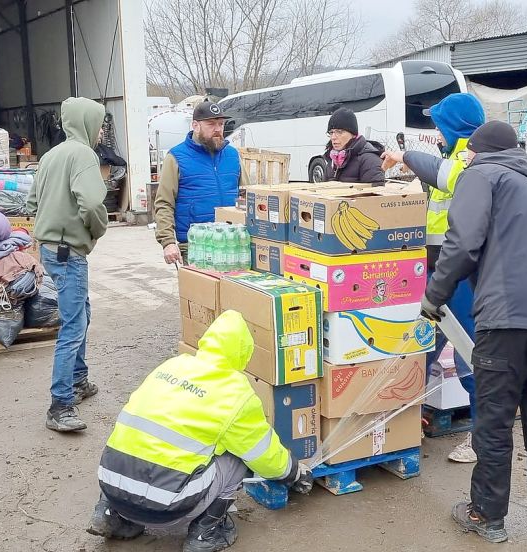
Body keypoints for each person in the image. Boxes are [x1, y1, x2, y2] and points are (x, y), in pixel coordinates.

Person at [419, 121, 527, 545]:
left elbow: (463, 242)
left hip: (510, 317)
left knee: (494, 420)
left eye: (467, 151)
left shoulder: (481, 175)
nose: (464, 158)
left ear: (479, 151)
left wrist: (434, 296)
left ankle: (485, 515)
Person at [88, 310, 313, 551]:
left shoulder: (173, 365)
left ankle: (111, 514)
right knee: (239, 456)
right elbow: (263, 454)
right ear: (244, 352)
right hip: (165, 507)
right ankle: (206, 534)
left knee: (135, 440)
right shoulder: (235, 392)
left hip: (111, 484)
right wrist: (293, 473)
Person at [381, 92, 485, 463]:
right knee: (423, 343)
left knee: (468, 351)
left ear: (454, 126)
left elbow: (447, 178)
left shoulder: (469, 159)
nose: (435, 133)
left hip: (461, 270)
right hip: (437, 265)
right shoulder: (453, 155)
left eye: (439, 125)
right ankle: (410, 418)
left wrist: (404, 155)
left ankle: (480, 436)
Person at [25, 97, 109, 433]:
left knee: (81, 313)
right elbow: (91, 203)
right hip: (68, 252)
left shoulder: (50, 156)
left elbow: (32, 201)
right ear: (87, 123)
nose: (102, 130)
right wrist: (98, 227)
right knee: (73, 326)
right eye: (100, 123)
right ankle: (60, 404)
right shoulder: (84, 155)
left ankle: (78, 380)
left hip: (50, 248)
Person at [154, 101, 249, 266]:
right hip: (195, 246)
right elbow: (164, 203)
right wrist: (168, 241)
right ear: (195, 126)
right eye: (211, 124)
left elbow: (248, 197)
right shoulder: (176, 157)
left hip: (233, 244)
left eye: (221, 124)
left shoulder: (233, 155)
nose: (218, 129)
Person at [322, 108, 385, 184]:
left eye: (339, 132)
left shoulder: (369, 160)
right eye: (331, 132)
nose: (333, 137)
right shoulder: (332, 160)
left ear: (353, 134)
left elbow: (375, 193)